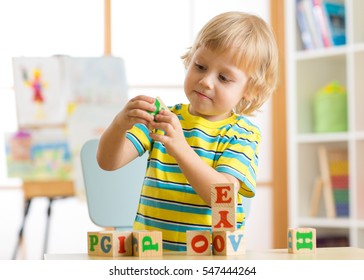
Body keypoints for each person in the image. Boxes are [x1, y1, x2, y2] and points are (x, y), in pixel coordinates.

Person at [97, 11, 278, 251]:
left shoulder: (242, 134)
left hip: (210, 259)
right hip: (153, 254)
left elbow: (223, 199)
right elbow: (108, 162)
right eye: (200, 66)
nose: (206, 81)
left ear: (250, 90)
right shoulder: (165, 119)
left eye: (224, 78)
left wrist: (180, 148)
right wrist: (120, 124)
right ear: (189, 60)